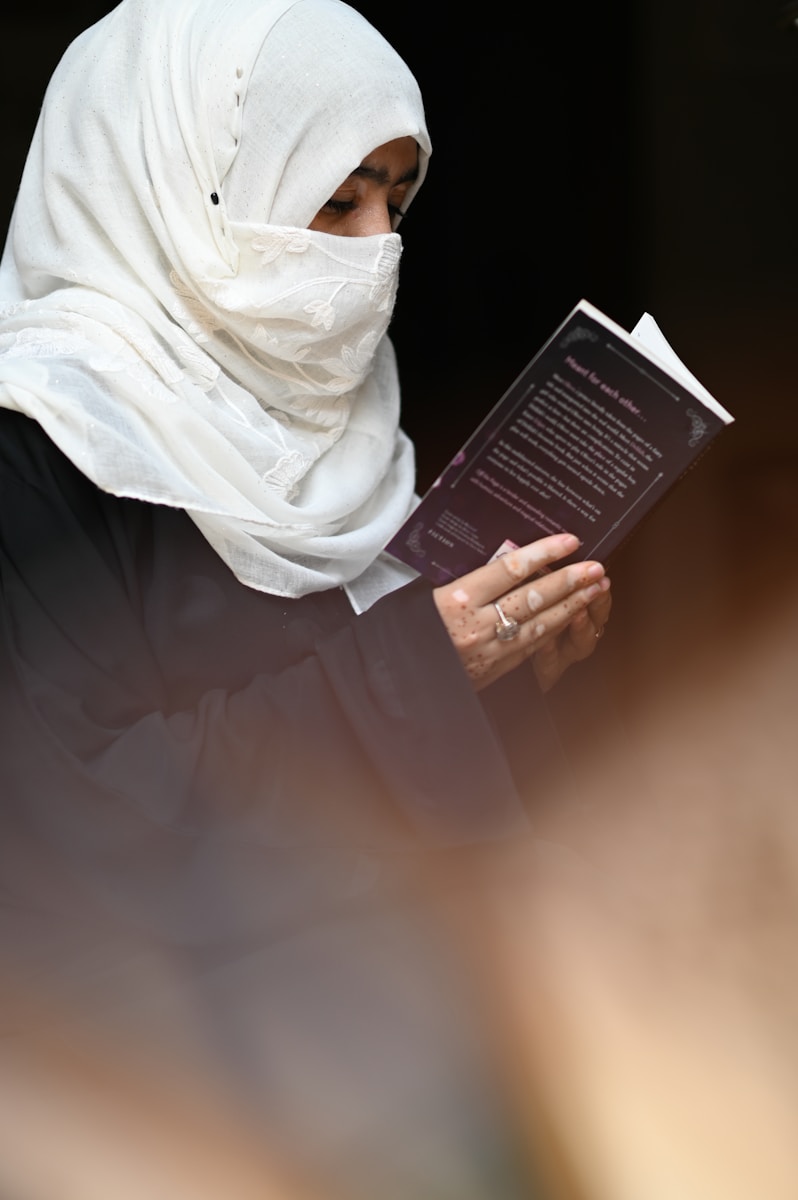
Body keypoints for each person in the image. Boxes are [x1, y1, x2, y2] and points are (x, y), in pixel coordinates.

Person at [0, 0, 611, 1196]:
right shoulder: (46, 441)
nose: (374, 247)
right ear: (184, 180)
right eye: (336, 199)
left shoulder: (344, 431)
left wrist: (507, 658)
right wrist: (417, 670)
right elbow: (62, 811)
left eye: (397, 200)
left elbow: (379, 720)